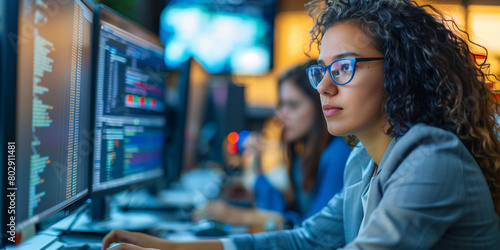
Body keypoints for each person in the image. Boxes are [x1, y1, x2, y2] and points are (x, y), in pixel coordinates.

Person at [102, 0, 500, 249]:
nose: (324, 87)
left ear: (399, 74)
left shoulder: (432, 158)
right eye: (321, 70)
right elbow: (306, 239)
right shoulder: (364, 160)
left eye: (342, 68)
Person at [192, 60, 352, 229]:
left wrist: (236, 215)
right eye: (281, 104)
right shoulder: (302, 156)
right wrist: (257, 164)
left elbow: (316, 233)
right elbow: (286, 212)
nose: (281, 115)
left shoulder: (338, 154)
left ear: (320, 105)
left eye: (292, 105)